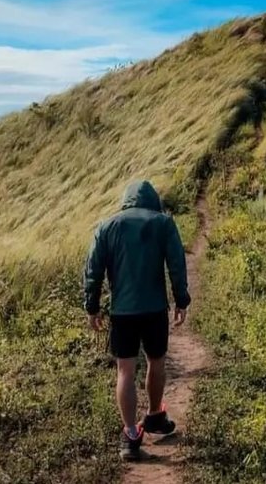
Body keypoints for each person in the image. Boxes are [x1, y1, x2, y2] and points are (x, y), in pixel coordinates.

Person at [83, 180, 191, 461]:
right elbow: (176, 263)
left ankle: (131, 435)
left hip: (122, 312)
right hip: (154, 309)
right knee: (156, 362)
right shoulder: (163, 223)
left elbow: (93, 270)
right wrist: (181, 299)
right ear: (153, 200)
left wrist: (92, 306)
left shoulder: (107, 226)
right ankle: (155, 414)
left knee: (125, 372)